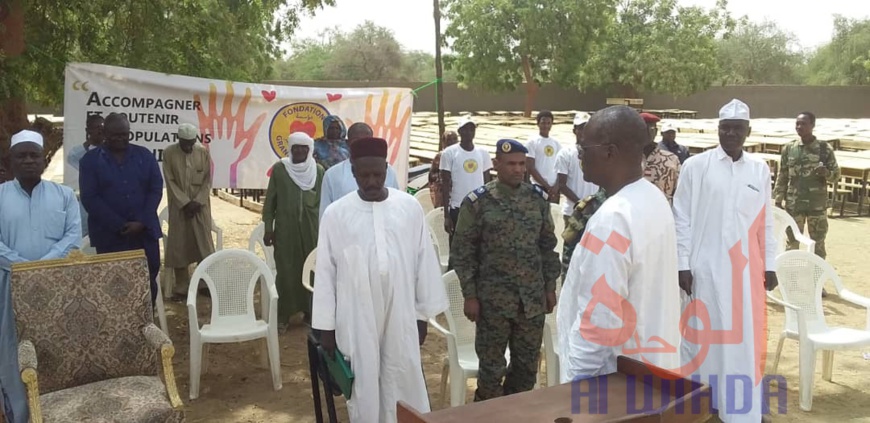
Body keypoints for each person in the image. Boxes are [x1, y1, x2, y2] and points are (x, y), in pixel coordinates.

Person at [312, 137, 448, 423]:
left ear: (386, 169)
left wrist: (422, 315)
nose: (372, 181)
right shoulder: (336, 214)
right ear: (352, 171)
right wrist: (326, 328)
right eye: (364, 175)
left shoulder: (409, 207)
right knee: (363, 384)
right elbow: (325, 272)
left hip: (402, 311)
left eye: (378, 174)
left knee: (402, 375)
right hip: (356, 313)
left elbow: (423, 261)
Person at [556, 106, 681, 382]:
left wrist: (574, 385)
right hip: (655, 368)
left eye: (583, 147)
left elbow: (599, 324)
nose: (579, 155)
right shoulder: (653, 198)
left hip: (613, 385)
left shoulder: (613, 218)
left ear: (609, 152)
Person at [673, 99, 778, 423]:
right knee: (703, 337)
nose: (730, 133)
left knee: (742, 337)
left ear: (748, 132)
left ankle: (739, 407)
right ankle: (704, 403)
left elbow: (766, 221)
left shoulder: (758, 169)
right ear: (717, 129)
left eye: (737, 128)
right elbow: (682, 218)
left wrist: (770, 263)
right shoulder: (696, 166)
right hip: (704, 269)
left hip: (745, 272)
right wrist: (683, 263)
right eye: (725, 128)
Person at [451, 139, 561, 401]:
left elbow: (547, 246)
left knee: (525, 372)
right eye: (511, 163)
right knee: (490, 372)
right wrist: (470, 295)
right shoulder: (478, 202)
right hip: (493, 304)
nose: (517, 169)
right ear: (496, 164)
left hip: (531, 302)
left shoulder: (537, 199)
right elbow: (463, 253)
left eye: (522, 164)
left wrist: (549, 287)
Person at [0, 130, 81, 423]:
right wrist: (22, 267)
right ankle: (19, 416)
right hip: (9, 287)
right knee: (13, 354)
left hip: (56, 285)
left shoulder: (64, 195)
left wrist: (42, 267)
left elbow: (73, 235)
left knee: (58, 350)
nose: (29, 161)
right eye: (21, 155)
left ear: (44, 158)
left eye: (34, 154)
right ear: (11, 160)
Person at [80, 113, 163, 304]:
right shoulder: (90, 161)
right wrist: (119, 225)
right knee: (113, 289)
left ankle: (145, 328)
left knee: (147, 283)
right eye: (115, 135)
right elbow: (90, 198)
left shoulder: (145, 155)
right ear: (104, 134)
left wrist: (142, 221)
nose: (121, 139)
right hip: (110, 237)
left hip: (144, 235)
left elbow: (155, 189)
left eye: (125, 134)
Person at [263, 132, 324, 326]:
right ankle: (284, 316)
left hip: (311, 230)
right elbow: (270, 202)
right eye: (295, 147)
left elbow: (325, 203)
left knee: (311, 270)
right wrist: (268, 228)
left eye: (303, 148)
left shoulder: (319, 171)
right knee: (286, 270)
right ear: (290, 149)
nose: (299, 151)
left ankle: (311, 313)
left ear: (309, 150)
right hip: (285, 230)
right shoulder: (281, 169)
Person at [775, 112, 840, 262]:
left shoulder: (824, 149)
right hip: (794, 203)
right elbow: (783, 175)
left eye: (803, 123)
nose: (799, 127)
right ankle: (791, 276)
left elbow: (836, 175)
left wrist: (826, 173)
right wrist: (778, 199)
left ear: (812, 125)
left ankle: (816, 279)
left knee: (818, 243)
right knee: (792, 242)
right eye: (797, 123)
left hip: (816, 205)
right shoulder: (789, 148)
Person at [162, 123, 216, 301]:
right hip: (180, 208)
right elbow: (170, 181)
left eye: (191, 143)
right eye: (185, 143)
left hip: (200, 208)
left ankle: (205, 283)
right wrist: (185, 203)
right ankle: (182, 286)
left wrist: (197, 202)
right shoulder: (169, 153)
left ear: (195, 140)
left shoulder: (202, 152)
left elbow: (207, 180)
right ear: (179, 139)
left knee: (204, 245)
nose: (188, 147)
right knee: (179, 246)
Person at [318, 122, 399, 218]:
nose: (362, 145)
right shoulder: (332, 175)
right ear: (348, 143)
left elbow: (396, 206)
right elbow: (325, 215)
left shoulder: (389, 172)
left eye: (366, 141)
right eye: (357, 142)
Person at [440, 115, 493, 248]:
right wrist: (446, 215)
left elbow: (488, 183)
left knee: (479, 247)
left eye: (471, 129)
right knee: (457, 247)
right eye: (465, 129)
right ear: (459, 132)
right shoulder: (449, 153)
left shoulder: (483, 153)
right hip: (458, 208)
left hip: (479, 208)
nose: (469, 132)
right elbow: (445, 184)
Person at [554, 112, 599, 226]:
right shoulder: (565, 153)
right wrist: (581, 204)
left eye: (587, 128)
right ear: (574, 131)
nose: (584, 132)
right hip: (573, 212)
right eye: (580, 128)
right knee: (572, 244)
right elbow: (561, 185)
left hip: (596, 212)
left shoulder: (598, 152)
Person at [66, 114, 105, 237]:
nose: (100, 130)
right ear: (88, 130)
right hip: (85, 203)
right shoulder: (76, 153)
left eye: (102, 127)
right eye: (96, 127)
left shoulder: (112, 152)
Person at [640, 112, 680, 205]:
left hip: (663, 214)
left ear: (656, 131)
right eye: (643, 129)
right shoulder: (626, 160)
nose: (647, 132)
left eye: (651, 128)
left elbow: (680, 192)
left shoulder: (671, 160)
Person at [526, 110, 561, 203]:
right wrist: (546, 186)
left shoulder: (556, 143)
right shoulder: (532, 142)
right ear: (538, 124)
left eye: (549, 123)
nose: (546, 126)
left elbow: (561, 167)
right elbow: (530, 167)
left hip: (554, 188)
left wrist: (556, 187)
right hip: (538, 186)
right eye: (543, 123)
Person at [429, 131, 459, 208]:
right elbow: (433, 178)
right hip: (443, 194)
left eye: (454, 139)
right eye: (449, 140)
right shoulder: (440, 157)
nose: (452, 142)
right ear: (443, 143)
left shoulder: (460, 155)